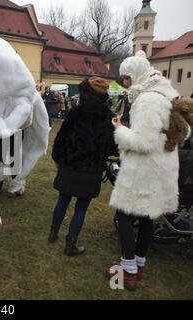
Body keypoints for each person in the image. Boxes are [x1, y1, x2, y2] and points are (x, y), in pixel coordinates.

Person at [106, 51, 181, 291]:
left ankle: (127, 271)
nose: (126, 83)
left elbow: (143, 141)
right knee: (148, 214)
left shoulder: (148, 100)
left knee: (126, 214)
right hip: (163, 166)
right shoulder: (164, 95)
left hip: (146, 168)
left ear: (138, 75)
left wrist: (119, 129)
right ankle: (137, 266)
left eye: (127, 78)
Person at [49, 77, 117, 256]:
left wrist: (57, 157)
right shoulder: (108, 118)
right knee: (80, 208)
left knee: (63, 200)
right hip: (91, 170)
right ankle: (70, 244)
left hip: (71, 165)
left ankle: (53, 234)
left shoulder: (75, 113)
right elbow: (113, 148)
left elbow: (60, 139)